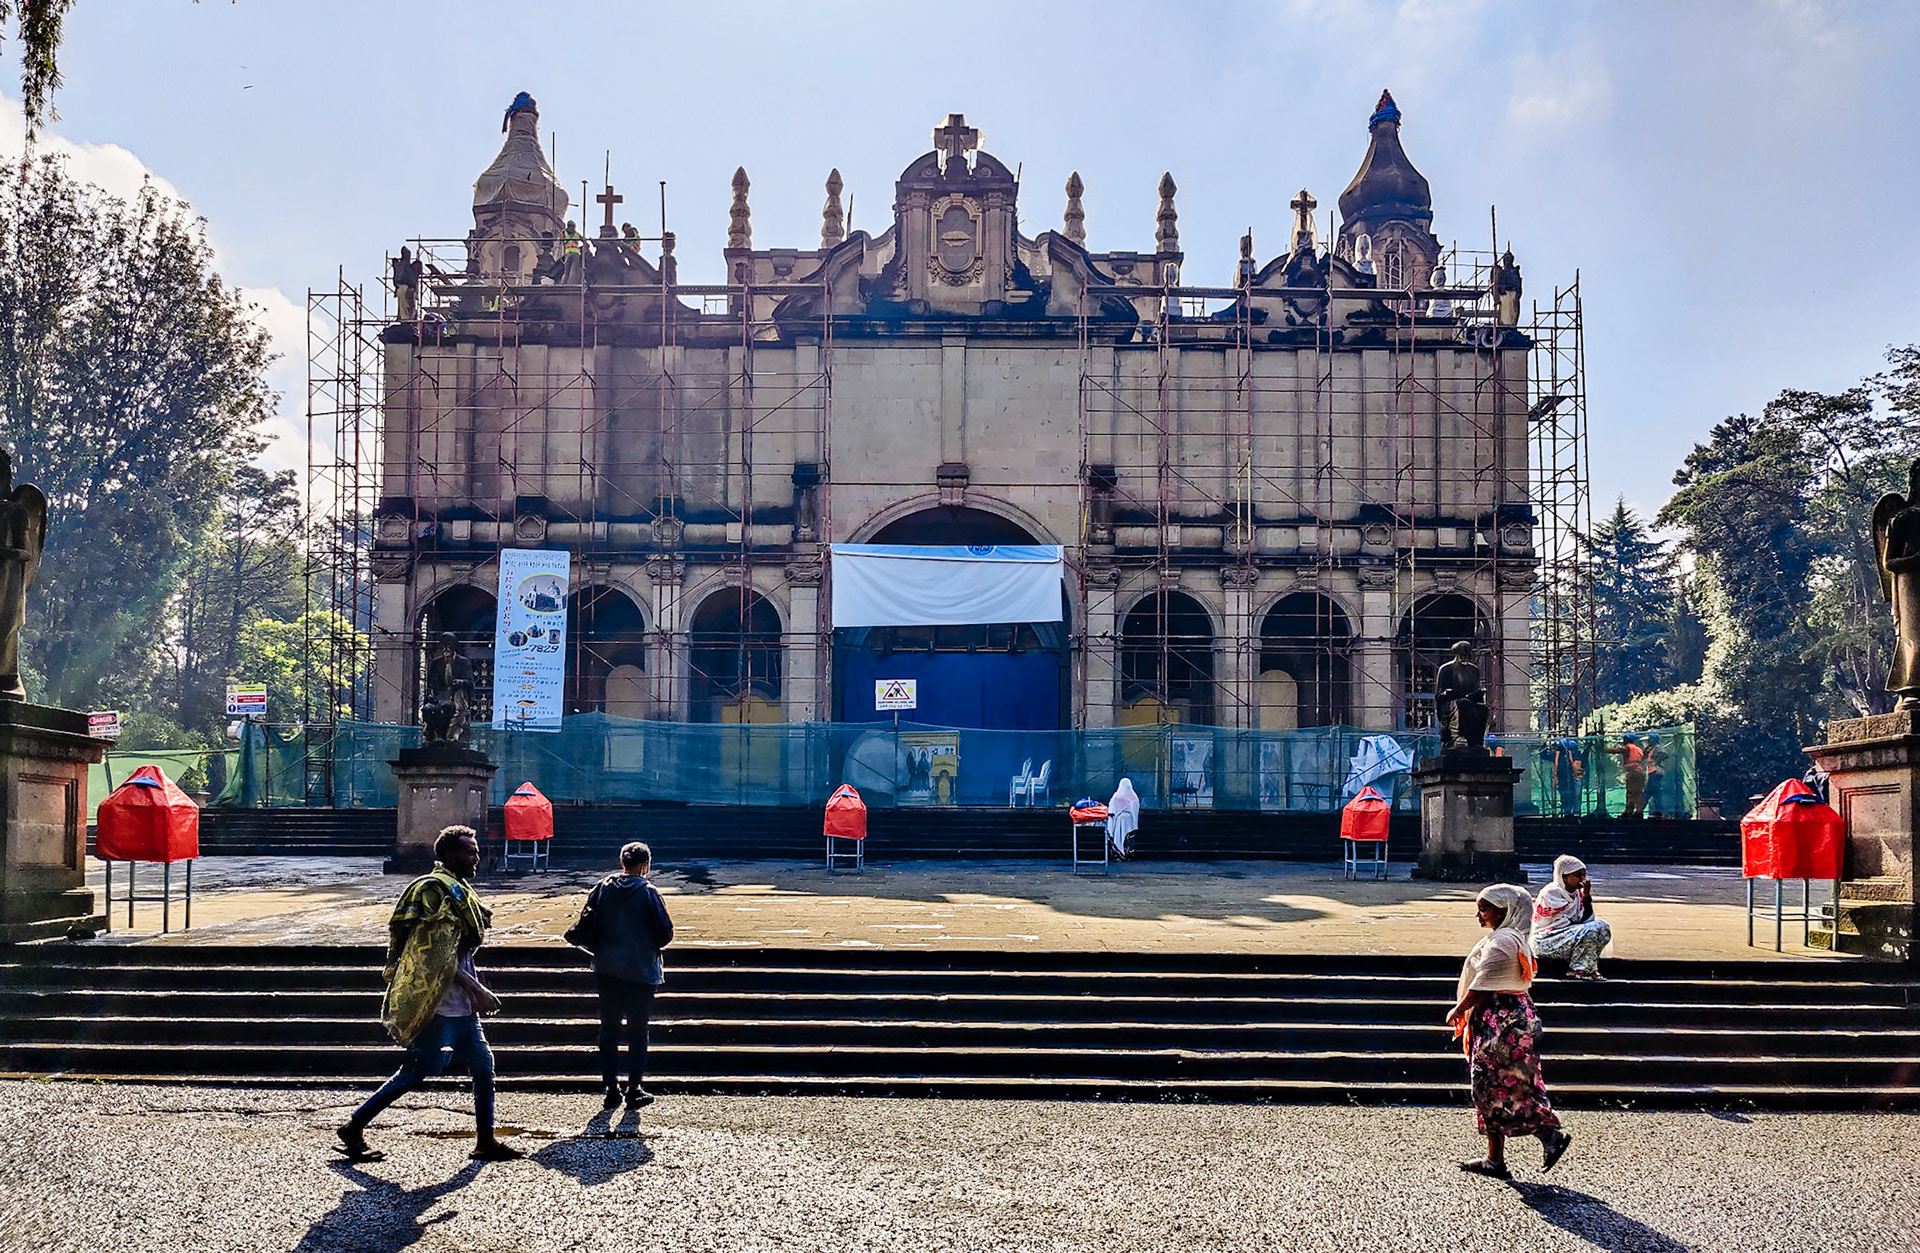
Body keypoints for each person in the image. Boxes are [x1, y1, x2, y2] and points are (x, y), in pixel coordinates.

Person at [337, 825, 521, 1163]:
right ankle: (354, 1126)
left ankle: (485, 1141)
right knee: (418, 1071)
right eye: (469, 851)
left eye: (476, 850)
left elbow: (456, 952)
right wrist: (477, 988)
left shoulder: (459, 891)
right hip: (436, 1004)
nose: (476, 856)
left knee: (483, 1065)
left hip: (462, 1007)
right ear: (449, 854)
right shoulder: (436, 892)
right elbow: (436, 957)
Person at [1445, 883, 1572, 1180]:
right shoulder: (1511, 937)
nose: (1479, 914)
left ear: (1504, 911)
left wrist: (1459, 1009)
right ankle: (1496, 1159)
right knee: (1506, 1085)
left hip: (1503, 1022)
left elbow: (1483, 984)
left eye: (1484, 908)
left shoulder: (1502, 941)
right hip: (1513, 1018)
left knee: (1493, 1087)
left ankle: (1547, 1135)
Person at [565, 840, 674, 1109]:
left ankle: (611, 1088)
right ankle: (634, 1087)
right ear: (646, 865)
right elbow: (665, 933)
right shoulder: (648, 892)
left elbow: (586, 924)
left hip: (607, 968)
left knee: (609, 1028)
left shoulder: (602, 888)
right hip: (640, 971)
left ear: (622, 862)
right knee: (638, 1029)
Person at [1532, 855, 1612, 980]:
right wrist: (1582, 929)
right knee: (1591, 930)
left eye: (1584, 875)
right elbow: (1566, 923)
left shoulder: (1577, 895)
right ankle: (1577, 969)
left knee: (1602, 927)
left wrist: (1586, 897)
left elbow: (1587, 921)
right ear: (1564, 877)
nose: (1583, 879)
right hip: (1547, 941)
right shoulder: (1551, 893)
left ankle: (1588, 968)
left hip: (1568, 937)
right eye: (1578, 875)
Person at [1106, 778, 1141, 859]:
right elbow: (1136, 809)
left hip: (1119, 820)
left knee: (1118, 836)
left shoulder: (1117, 796)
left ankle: (1118, 853)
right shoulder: (1134, 797)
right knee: (1127, 837)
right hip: (1129, 821)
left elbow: (1112, 809)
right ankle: (1127, 854)